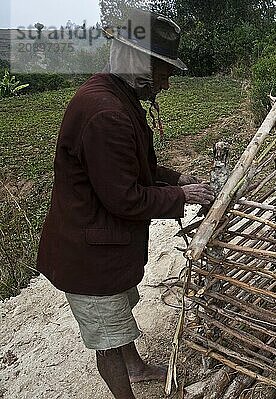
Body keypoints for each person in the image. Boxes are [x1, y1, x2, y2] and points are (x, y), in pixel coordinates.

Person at [36, 9, 213, 399]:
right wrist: (181, 196)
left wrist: (176, 179)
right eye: (164, 72)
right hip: (89, 255)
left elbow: (133, 167)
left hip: (105, 246)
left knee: (118, 314)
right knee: (109, 339)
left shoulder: (116, 96)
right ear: (141, 66)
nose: (165, 85)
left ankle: (134, 366)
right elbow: (125, 198)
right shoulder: (106, 113)